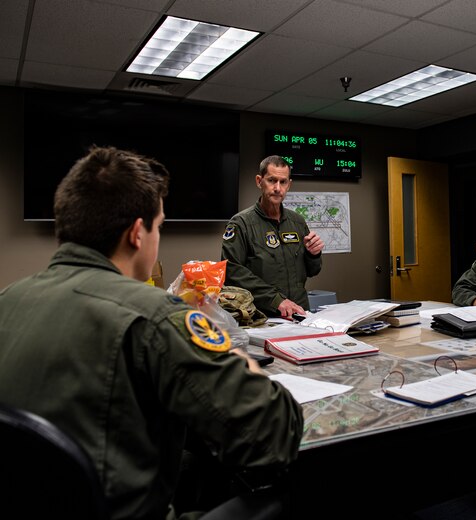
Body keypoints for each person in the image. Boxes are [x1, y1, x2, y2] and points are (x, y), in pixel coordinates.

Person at [0, 147, 303, 519]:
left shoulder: (8, 299)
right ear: (136, 235)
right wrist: (234, 356)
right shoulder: (157, 316)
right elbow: (276, 432)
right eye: (159, 225)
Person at [222, 155, 324, 318]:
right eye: (271, 180)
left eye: (283, 182)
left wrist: (314, 254)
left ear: (289, 185)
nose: (277, 188)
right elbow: (232, 272)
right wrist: (276, 300)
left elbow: (313, 270)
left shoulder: (297, 222)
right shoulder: (241, 223)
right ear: (259, 181)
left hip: (300, 314)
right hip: (262, 317)